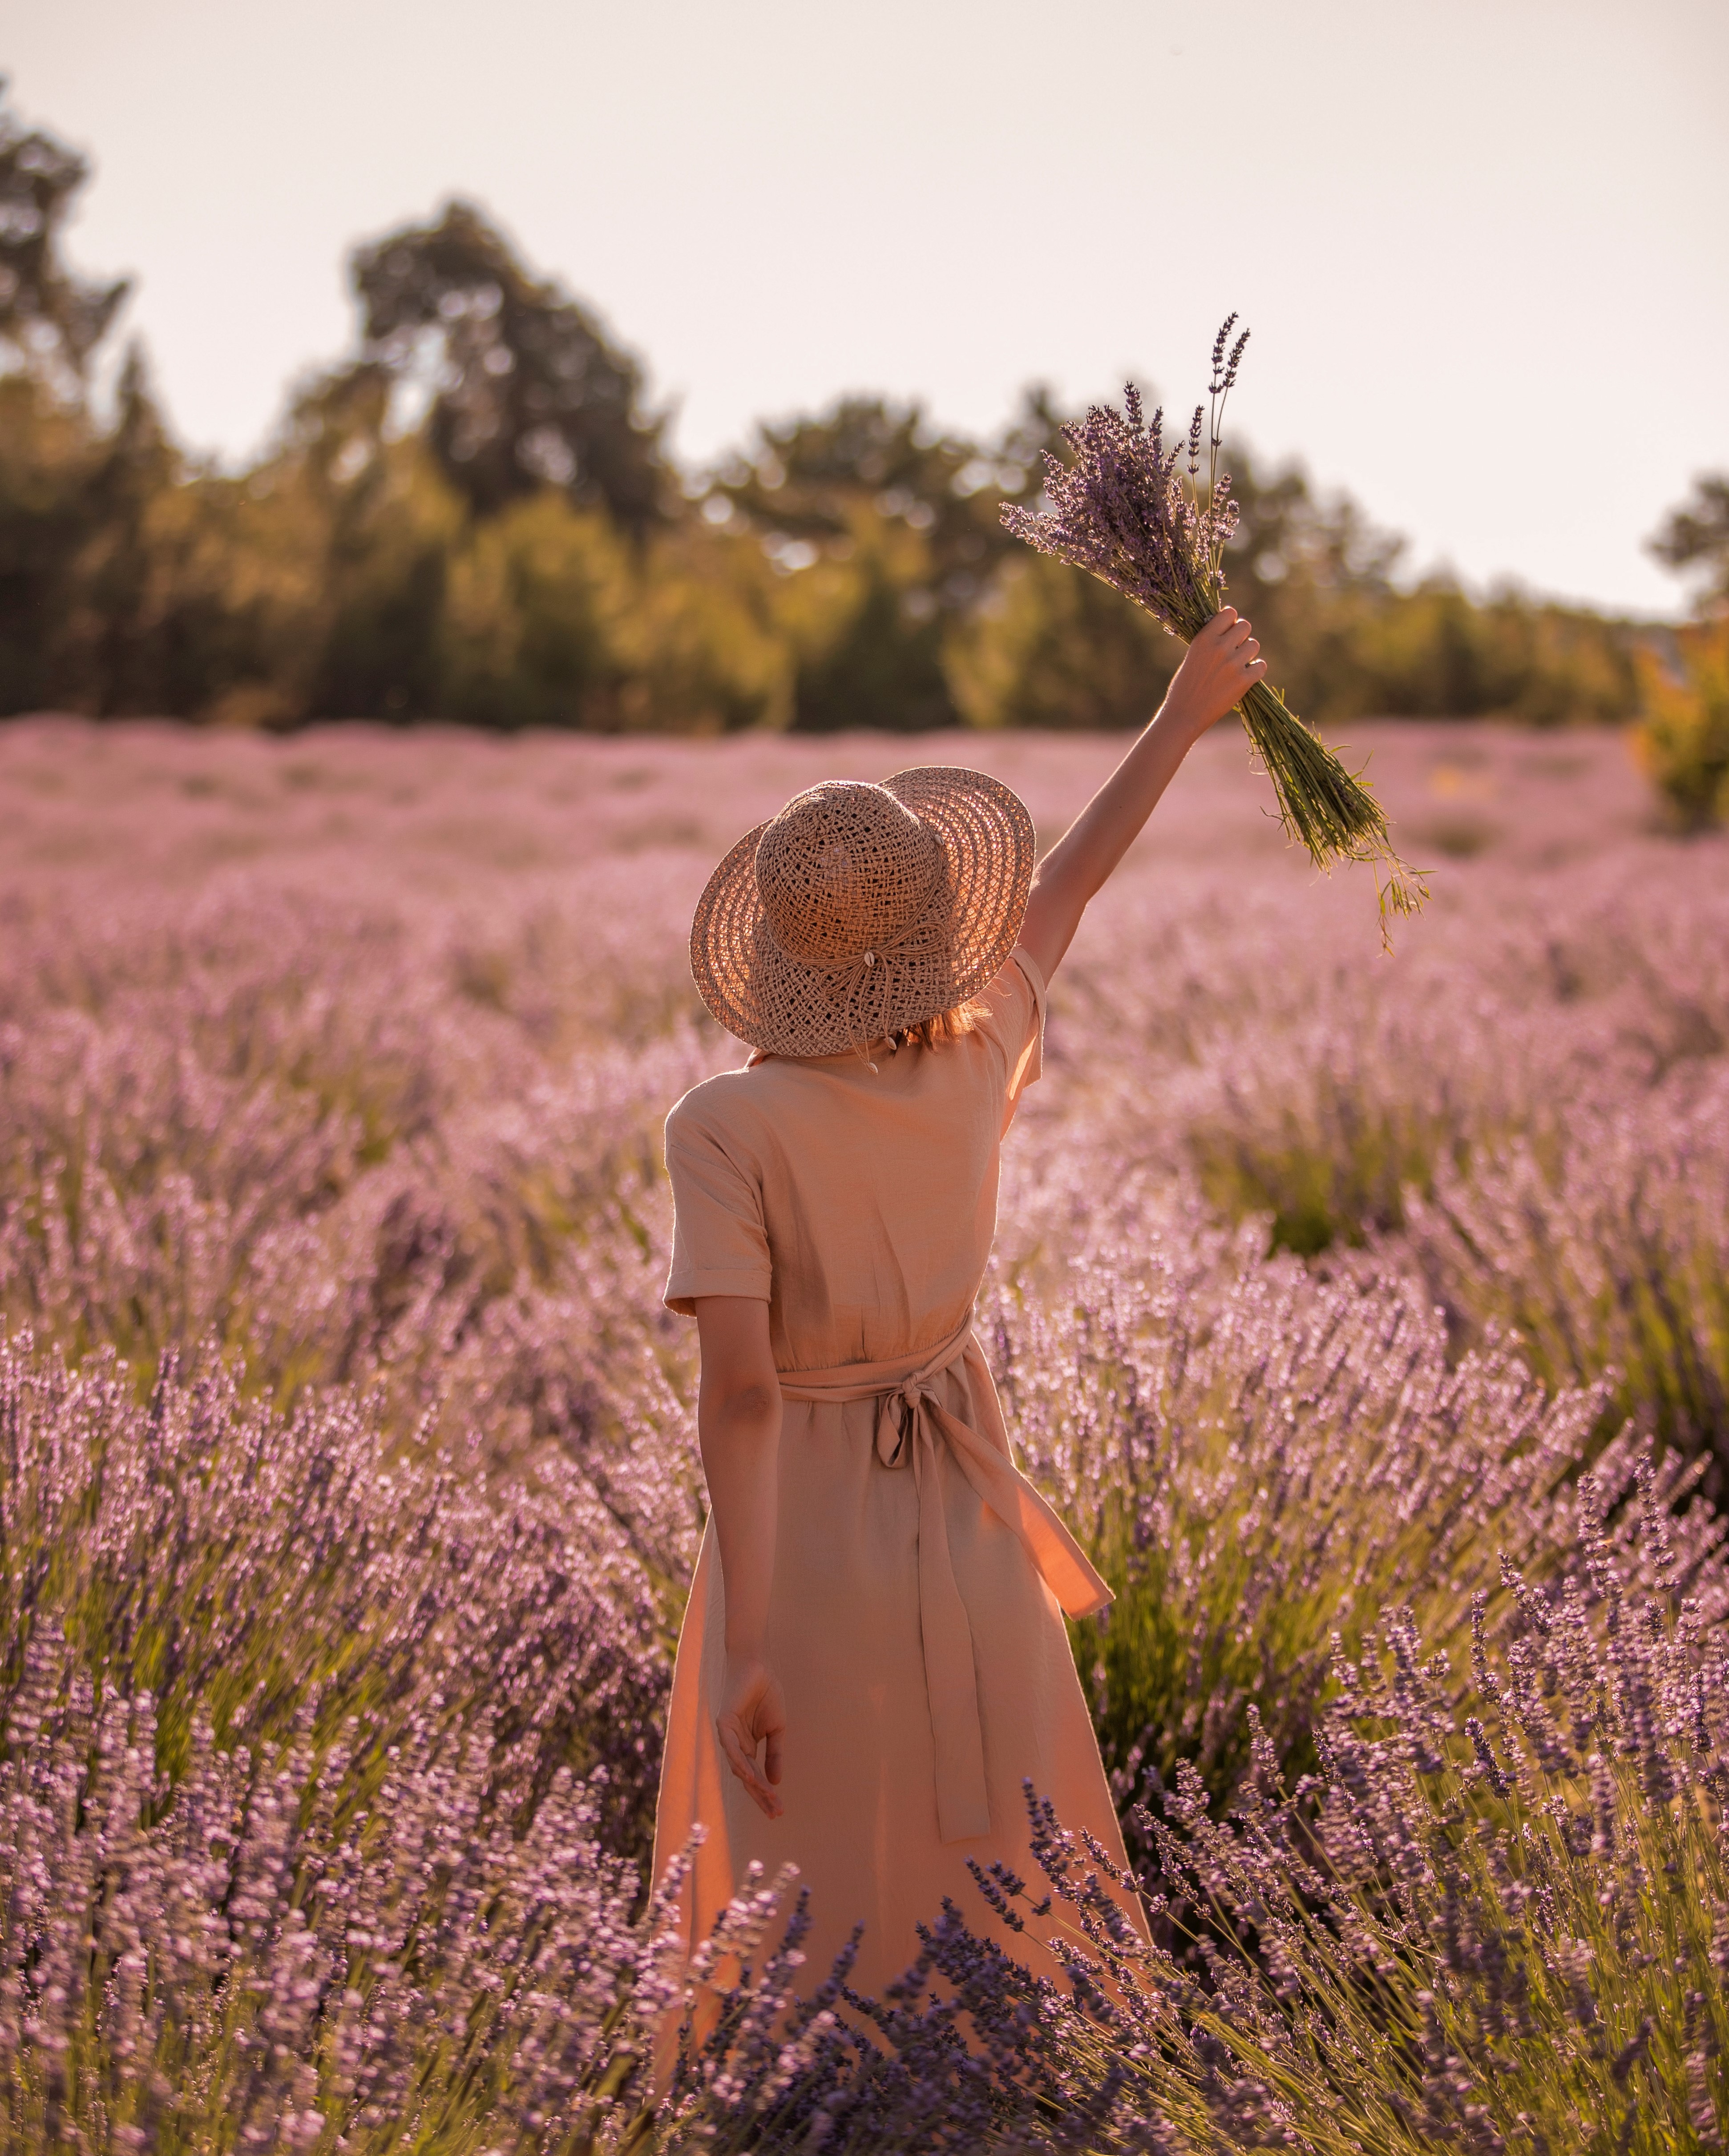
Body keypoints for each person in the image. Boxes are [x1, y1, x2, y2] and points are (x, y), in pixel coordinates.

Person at [652, 608, 1267, 2018]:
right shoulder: (974, 1055)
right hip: (967, 1514)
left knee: (798, 1894)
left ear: (779, 950)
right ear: (940, 931)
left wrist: (747, 1639)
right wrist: (1183, 714)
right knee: (997, 1860)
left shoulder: (724, 1124)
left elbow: (744, 1395)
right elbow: (1069, 891)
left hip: (801, 1534)